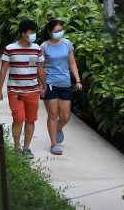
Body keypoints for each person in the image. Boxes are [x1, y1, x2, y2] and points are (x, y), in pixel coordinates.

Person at [0, 19, 45, 159]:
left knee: (30, 120)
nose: (33, 35)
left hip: (33, 91)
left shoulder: (37, 49)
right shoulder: (10, 49)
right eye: (31, 32)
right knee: (18, 118)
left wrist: (44, 85)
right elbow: (3, 69)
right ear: (23, 33)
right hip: (15, 91)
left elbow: (40, 69)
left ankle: (26, 148)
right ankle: (16, 148)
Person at [41, 19, 82, 155]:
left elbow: (72, 63)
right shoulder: (44, 46)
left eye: (61, 30)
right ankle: (54, 144)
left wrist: (77, 80)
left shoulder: (67, 44)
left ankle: (58, 129)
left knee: (65, 116)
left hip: (65, 83)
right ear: (49, 32)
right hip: (50, 83)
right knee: (53, 114)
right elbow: (39, 66)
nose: (59, 33)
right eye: (56, 31)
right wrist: (41, 83)